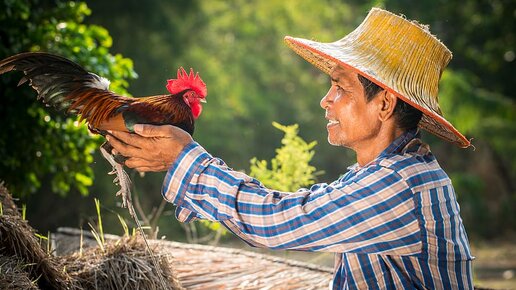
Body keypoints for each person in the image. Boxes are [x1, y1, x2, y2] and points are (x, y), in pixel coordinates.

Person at [107, 8, 474, 289]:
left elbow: (280, 221)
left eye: (341, 88)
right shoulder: (382, 174)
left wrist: (185, 159)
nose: (325, 101)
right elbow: (292, 211)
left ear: (384, 104)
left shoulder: (400, 185)